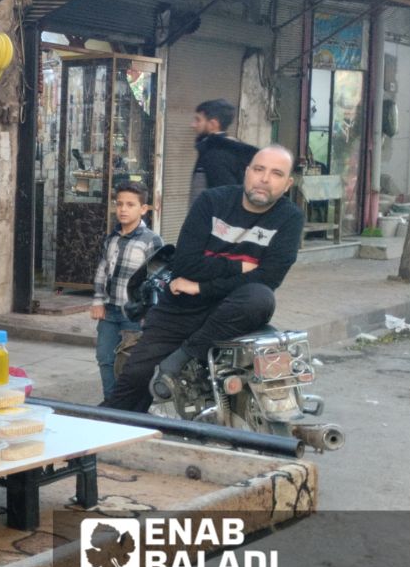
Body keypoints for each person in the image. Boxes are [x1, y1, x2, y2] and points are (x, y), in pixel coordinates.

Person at [103, 145, 303, 413]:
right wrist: (240, 267)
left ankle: (183, 357)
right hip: (181, 307)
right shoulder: (212, 201)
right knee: (133, 382)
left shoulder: (289, 217)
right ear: (247, 173)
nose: (264, 179)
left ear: (288, 184)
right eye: (258, 169)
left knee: (260, 297)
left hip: (233, 312)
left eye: (276, 173)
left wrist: (201, 286)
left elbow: (269, 278)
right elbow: (186, 263)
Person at [90, 182, 163, 401]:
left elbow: (158, 281)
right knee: (105, 358)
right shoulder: (112, 238)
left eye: (130, 204)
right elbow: (103, 270)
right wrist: (98, 301)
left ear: (143, 209)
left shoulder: (151, 241)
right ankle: (111, 402)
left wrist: (149, 315)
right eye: (119, 204)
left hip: (134, 315)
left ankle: (128, 405)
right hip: (110, 312)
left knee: (130, 363)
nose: (123, 209)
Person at [189, 99, 256, 202]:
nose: (193, 125)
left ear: (213, 124)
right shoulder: (225, 148)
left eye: (198, 120)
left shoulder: (215, 155)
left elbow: (224, 200)